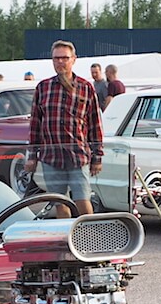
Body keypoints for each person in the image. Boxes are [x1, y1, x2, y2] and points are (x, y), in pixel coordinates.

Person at [25, 39, 103, 218]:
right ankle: (67, 239)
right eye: (56, 58)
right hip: (51, 157)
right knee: (60, 203)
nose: (60, 62)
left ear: (73, 59)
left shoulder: (85, 88)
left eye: (64, 58)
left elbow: (95, 124)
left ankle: (87, 237)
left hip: (78, 156)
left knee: (83, 200)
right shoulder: (43, 88)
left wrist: (97, 157)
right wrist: (32, 157)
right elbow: (35, 125)